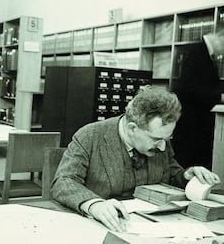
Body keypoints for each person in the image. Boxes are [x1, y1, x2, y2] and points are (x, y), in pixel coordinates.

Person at [51, 86, 220, 233]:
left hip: (151, 228)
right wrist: (94, 204)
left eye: (167, 139)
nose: (162, 147)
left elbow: (170, 175)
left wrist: (186, 177)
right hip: (101, 227)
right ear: (132, 128)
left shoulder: (160, 140)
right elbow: (64, 181)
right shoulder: (90, 136)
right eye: (156, 140)